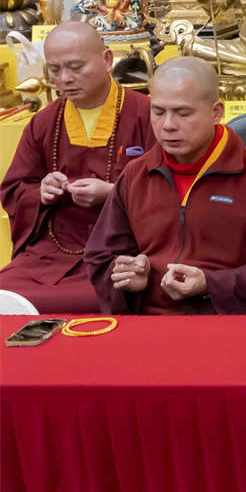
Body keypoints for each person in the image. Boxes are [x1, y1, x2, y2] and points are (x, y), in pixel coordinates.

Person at [84, 57, 246, 314]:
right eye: (158, 112)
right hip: (153, 321)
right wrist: (129, 279)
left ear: (216, 112)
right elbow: (101, 256)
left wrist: (211, 284)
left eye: (183, 113)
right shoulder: (136, 175)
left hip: (232, 324)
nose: (168, 125)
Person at [0, 23, 153, 312]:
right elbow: (14, 189)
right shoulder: (43, 122)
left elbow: (171, 190)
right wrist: (41, 192)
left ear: (107, 60)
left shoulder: (145, 114)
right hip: (50, 255)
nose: (65, 79)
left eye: (75, 67)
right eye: (54, 70)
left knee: (106, 298)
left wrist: (113, 193)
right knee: (6, 297)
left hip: (122, 253)